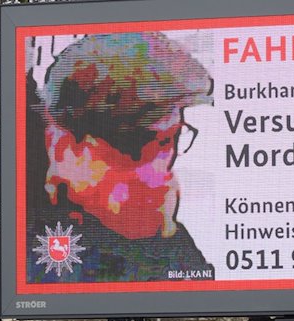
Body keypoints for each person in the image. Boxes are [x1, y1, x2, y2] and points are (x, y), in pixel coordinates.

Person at [26, 32, 215, 283]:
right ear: (62, 145)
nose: (161, 172)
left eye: (174, 139)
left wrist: (166, 236)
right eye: (136, 146)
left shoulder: (175, 250)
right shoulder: (33, 251)